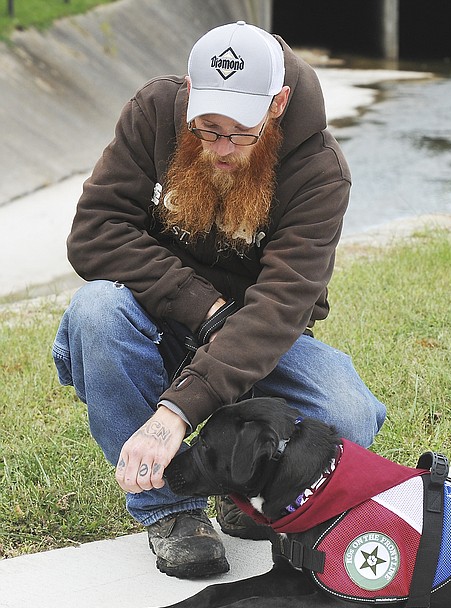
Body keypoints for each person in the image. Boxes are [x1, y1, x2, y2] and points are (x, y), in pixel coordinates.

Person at [52, 21, 386, 579]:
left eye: (239, 133)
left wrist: (180, 410)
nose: (219, 149)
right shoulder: (156, 112)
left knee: (346, 416)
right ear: (190, 92)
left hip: (255, 336)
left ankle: (244, 495)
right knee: (96, 311)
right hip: (150, 320)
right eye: (206, 129)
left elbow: (280, 305)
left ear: (278, 105)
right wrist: (203, 308)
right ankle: (172, 513)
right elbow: (94, 233)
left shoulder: (319, 171)